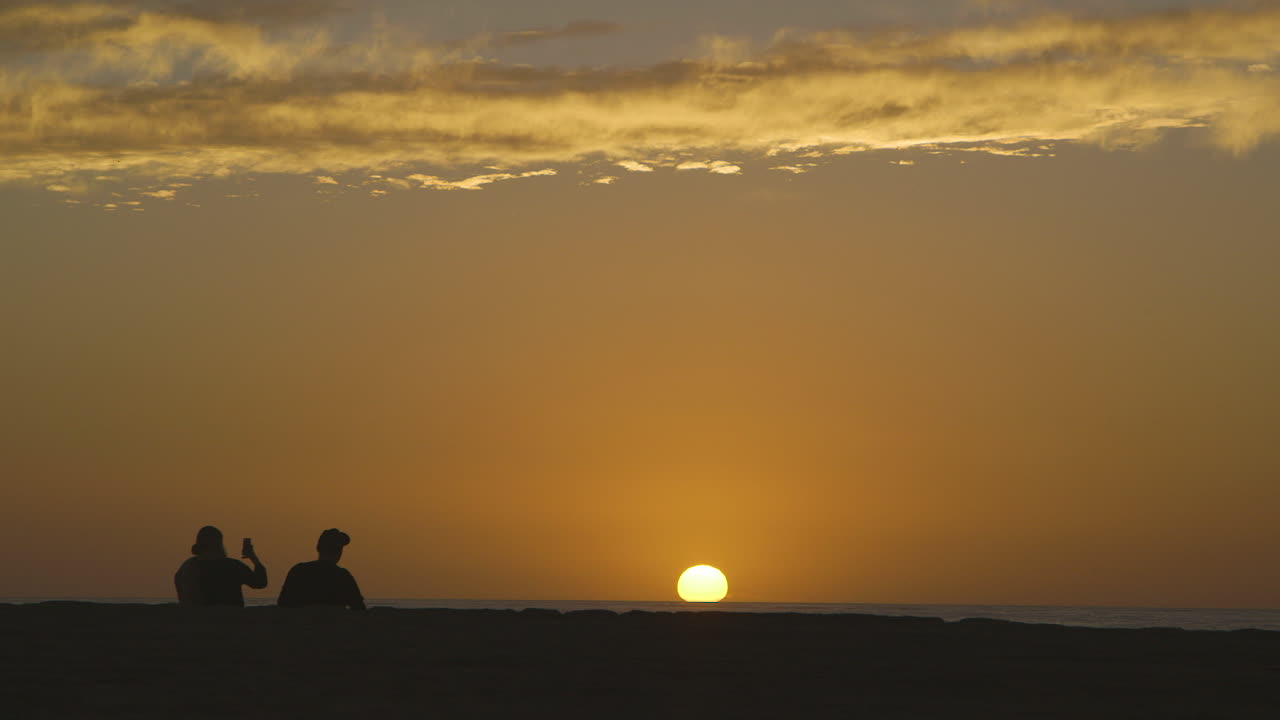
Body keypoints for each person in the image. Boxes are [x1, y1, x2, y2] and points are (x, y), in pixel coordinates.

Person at [174, 526, 268, 606]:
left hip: (199, 621)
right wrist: (254, 559)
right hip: (230, 621)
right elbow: (260, 583)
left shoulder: (187, 567)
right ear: (219, 544)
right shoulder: (232, 566)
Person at [277, 528, 366, 610]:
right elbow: (359, 608)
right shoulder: (343, 576)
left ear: (318, 548)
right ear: (339, 552)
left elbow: (282, 604)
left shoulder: (298, 571)